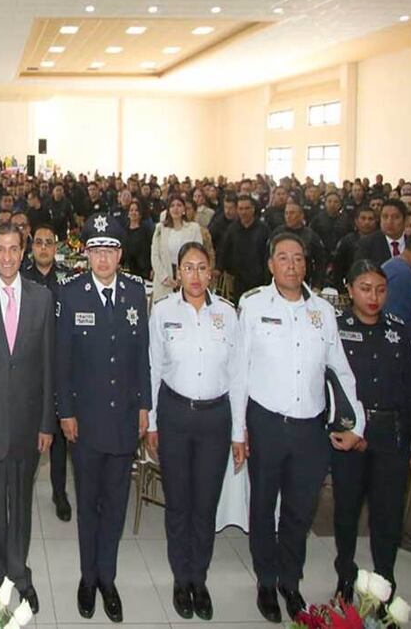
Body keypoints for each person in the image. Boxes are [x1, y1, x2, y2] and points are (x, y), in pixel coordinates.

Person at [231, 232, 364, 624]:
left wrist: (357, 419)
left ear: (306, 264)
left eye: (298, 258)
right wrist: (238, 431)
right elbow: (239, 373)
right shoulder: (253, 308)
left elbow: (340, 368)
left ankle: (291, 579)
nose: (292, 265)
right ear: (270, 264)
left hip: (310, 429)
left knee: (299, 511)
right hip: (266, 422)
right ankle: (266, 581)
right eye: (283, 258)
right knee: (262, 508)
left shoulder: (322, 311)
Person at [56, 214, 150, 623]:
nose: (103, 257)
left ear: (119, 254)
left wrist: (145, 405)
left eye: (110, 249)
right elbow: (62, 362)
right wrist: (65, 412)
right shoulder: (71, 294)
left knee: (115, 505)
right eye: (96, 249)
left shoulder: (133, 293)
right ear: (87, 254)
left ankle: (106, 578)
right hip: (86, 421)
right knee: (88, 504)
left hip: (125, 418)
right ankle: (86, 576)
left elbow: (142, 355)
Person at [0, 222, 54, 613]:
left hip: (27, 424)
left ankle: (20, 572)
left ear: (24, 252)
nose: (6, 256)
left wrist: (46, 423)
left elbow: (49, 367)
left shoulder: (42, 298)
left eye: (13, 249)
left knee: (21, 506)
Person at [145, 241, 237, 622]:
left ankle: (200, 578)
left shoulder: (229, 315)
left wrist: (240, 431)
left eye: (202, 268)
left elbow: (239, 374)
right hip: (175, 414)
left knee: (205, 503)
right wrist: (150, 422)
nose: (195, 276)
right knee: (179, 503)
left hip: (216, 418)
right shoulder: (163, 312)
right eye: (188, 268)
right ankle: (181, 578)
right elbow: (152, 367)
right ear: (177, 272)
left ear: (211, 271)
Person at [330, 260, 411, 602]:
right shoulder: (336, 329)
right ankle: (345, 573)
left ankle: (385, 583)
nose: (374, 297)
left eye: (381, 290)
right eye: (366, 289)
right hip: (351, 436)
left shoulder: (399, 329)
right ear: (350, 289)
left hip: (390, 435)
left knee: (387, 515)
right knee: (346, 511)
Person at [21, 224, 72, 522]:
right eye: (38, 242)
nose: (43, 247)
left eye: (48, 243)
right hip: (28, 370)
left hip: (58, 367)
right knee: (28, 435)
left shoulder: (68, 280)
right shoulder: (21, 278)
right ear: (32, 247)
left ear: (55, 247)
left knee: (58, 437)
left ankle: (59, 492)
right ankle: (22, 489)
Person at [216, 197, 269, 302]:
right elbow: (224, 250)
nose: (243, 212)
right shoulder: (232, 229)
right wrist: (219, 269)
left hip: (258, 280)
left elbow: (267, 255)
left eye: (247, 208)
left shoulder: (263, 229)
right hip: (239, 280)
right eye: (241, 209)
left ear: (253, 209)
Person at [151, 195, 203, 301]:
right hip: (164, 281)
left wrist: (184, 276)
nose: (175, 209)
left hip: (186, 279)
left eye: (179, 205)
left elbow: (198, 255)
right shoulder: (160, 228)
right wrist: (164, 277)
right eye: (172, 206)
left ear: (184, 209)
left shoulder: (194, 228)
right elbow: (155, 255)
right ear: (168, 210)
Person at [354, 199, 407, 265]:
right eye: (385, 217)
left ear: (405, 220)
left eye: (395, 217)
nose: (389, 222)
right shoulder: (367, 244)